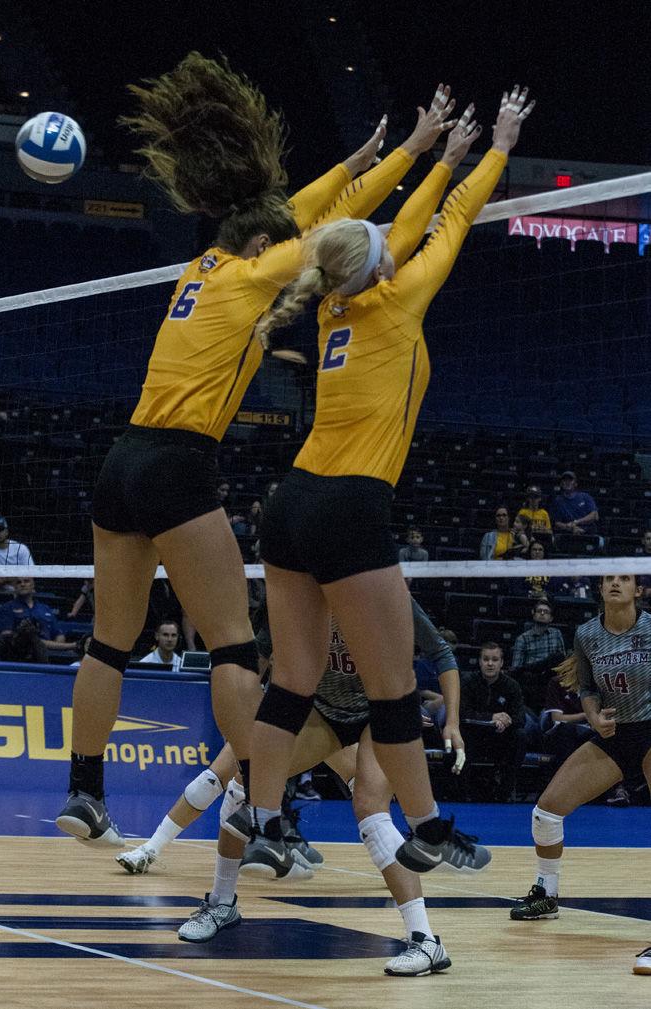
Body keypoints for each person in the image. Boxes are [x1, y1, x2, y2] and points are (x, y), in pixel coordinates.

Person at [54, 52, 462, 849]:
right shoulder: (254, 275)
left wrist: (356, 162)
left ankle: (84, 790)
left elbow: (304, 211)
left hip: (120, 462)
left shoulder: (197, 268)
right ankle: (257, 810)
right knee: (235, 647)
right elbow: (325, 233)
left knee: (111, 638)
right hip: (176, 464)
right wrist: (409, 157)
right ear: (264, 248)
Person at [248, 85, 534, 874]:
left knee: (292, 680)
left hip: (291, 503)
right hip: (347, 504)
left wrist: (435, 155)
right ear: (380, 267)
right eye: (383, 244)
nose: (392, 244)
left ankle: (263, 813)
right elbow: (446, 226)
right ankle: (432, 827)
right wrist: (494, 149)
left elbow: (397, 231)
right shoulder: (400, 297)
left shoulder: (336, 303)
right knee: (392, 689)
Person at [122, 600, 489, 977]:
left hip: (380, 712)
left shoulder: (381, 589)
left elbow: (442, 653)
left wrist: (453, 723)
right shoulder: (296, 592)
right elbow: (258, 662)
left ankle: (426, 941)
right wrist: (248, 721)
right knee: (246, 781)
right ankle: (221, 902)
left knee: (372, 811)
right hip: (320, 712)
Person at [509, 574, 651, 977]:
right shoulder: (587, 634)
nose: (616, 584)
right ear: (600, 589)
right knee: (547, 812)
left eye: (625, 579)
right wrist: (591, 715)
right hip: (614, 732)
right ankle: (546, 894)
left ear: (638, 590)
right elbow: (587, 686)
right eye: (609, 579)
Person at [459, 642, 526, 802]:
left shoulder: (511, 685)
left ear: (501, 663)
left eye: (495, 659)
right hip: (473, 736)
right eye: (486, 659)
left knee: (520, 735)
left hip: (500, 738)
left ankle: (505, 792)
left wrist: (506, 721)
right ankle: (462, 793)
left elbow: (520, 717)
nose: (490, 663)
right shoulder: (468, 682)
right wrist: (491, 718)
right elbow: (462, 713)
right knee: (459, 733)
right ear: (480, 661)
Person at [510, 599, 566, 713]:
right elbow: (516, 669)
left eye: (546, 612)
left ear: (551, 618)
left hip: (550, 678)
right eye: (539, 611)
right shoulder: (522, 639)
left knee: (556, 659)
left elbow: (562, 662)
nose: (542, 613)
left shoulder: (556, 634)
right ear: (533, 614)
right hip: (532, 681)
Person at [540, 656, 595, 767]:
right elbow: (557, 718)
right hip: (559, 733)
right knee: (568, 730)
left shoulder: (595, 686)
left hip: (587, 730)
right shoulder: (557, 683)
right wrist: (585, 715)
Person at [0, 577, 72, 652]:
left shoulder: (45, 608)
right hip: (20, 655)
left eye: (26, 581)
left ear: (33, 584)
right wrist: (70, 646)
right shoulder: (6, 608)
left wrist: (56, 648)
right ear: (14, 587)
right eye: (18, 582)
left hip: (49, 654)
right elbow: (7, 637)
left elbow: (59, 635)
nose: (22, 584)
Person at [551, 470, 599, 538]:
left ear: (575, 484)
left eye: (570, 480)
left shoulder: (585, 496)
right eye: (565, 480)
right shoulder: (558, 501)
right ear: (561, 484)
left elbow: (594, 516)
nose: (567, 482)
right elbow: (557, 522)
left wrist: (576, 522)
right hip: (568, 534)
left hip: (588, 533)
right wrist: (572, 528)